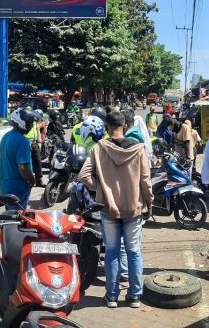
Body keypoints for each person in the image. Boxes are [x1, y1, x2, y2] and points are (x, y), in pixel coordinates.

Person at [79, 112, 153, 309]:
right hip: (133, 209)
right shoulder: (139, 149)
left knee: (111, 251)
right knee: (134, 252)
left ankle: (111, 297)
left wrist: (101, 188)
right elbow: (145, 181)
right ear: (125, 126)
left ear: (106, 128)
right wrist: (149, 203)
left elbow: (84, 175)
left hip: (108, 209)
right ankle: (135, 297)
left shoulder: (98, 148)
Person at [0, 107, 42, 210]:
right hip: (18, 187)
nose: (31, 126)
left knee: (10, 217)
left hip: (5, 185)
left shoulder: (6, 136)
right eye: (30, 123)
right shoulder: (22, 140)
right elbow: (23, 168)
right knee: (17, 219)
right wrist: (32, 180)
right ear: (23, 122)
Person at [24, 107, 45, 188]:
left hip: (34, 143)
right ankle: (28, 180)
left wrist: (39, 142)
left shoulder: (34, 120)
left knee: (38, 162)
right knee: (26, 163)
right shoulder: (23, 120)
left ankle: (39, 180)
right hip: (25, 143)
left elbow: (37, 131)